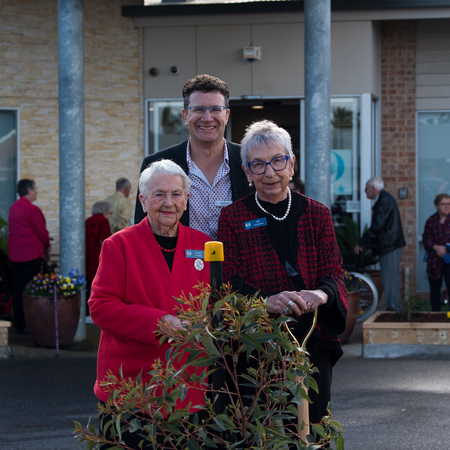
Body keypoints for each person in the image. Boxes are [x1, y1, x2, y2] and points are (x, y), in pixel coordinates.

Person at [217, 120, 347, 430]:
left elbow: (334, 272)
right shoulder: (233, 217)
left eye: (277, 160)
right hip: (257, 344)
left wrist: (320, 294)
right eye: (258, 165)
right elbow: (227, 282)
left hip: (311, 340)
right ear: (247, 172)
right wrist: (266, 302)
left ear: (291, 163)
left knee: (313, 428)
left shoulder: (317, 213)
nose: (270, 172)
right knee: (263, 431)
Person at [89, 160, 210, 448]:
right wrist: (159, 323)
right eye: (159, 194)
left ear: (187, 199)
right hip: (132, 391)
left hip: (188, 391)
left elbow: (216, 305)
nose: (168, 203)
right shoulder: (118, 245)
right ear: (143, 201)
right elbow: (101, 306)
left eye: (176, 194)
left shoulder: (205, 246)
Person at [134, 74, 253, 239]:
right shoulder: (155, 165)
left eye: (215, 109)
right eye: (198, 109)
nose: (207, 118)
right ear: (184, 116)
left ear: (226, 116)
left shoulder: (249, 161)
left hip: (237, 264)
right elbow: (142, 230)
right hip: (177, 263)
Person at [354, 177, 406, 311]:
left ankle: (394, 309)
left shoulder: (384, 201)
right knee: (390, 277)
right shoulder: (384, 199)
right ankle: (393, 307)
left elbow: (378, 225)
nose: (365, 192)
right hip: (390, 244)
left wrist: (362, 242)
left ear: (373, 189)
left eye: (366, 189)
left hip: (390, 245)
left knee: (390, 278)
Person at [7, 179, 51, 333]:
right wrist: (47, 247)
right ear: (29, 190)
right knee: (30, 289)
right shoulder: (32, 209)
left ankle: (19, 323)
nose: (36, 192)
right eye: (35, 189)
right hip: (30, 253)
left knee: (18, 288)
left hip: (14, 253)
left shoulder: (13, 208)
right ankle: (29, 323)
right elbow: (41, 232)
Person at [422, 193, 450, 311]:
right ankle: (436, 316)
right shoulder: (431, 221)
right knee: (435, 289)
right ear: (436, 206)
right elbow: (426, 239)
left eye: (448, 204)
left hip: (449, 259)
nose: (446, 207)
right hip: (434, 260)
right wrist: (436, 247)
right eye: (443, 204)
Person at [85, 200, 111, 292]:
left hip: (86, 254)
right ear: (106, 211)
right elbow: (105, 241)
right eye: (110, 212)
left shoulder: (88, 221)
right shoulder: (103, 221)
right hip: (97, 254)